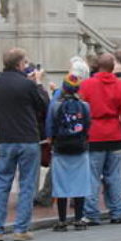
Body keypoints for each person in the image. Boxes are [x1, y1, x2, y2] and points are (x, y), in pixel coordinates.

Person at [0, 48, 49, 241]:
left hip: (5, 138)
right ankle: (21, 228)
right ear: (19, 64)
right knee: (27, 184)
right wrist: (37, 83)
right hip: (27, 139)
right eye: (24, 62)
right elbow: (44, 105)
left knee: (1, 184)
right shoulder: (27, 85)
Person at [79, 53, 121, 225]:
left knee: (93, 176)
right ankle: (116, 212)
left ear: (98, 66)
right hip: (114, 133)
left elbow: (80, 110)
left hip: (94, 134)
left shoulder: (87, 85)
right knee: (114, 176)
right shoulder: (120, 86)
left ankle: (92, 213)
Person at [45, 73, 93, 232]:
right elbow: (87, 127)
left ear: (63, 88)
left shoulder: (56, 105)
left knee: (61, 184)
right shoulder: (85, 106)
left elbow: (49, 129)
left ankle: (62, 220)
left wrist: (52, 141)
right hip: (80, 149)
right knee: (80, 183)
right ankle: (79, 218)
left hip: (61, 149)